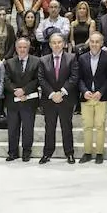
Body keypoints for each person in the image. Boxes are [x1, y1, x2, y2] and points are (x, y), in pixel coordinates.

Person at [36, 33, 77, 164]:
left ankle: (69, 153)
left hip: (66, 98)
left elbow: (74, 77)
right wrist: (52, 94)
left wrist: (62, 92)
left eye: (59, 42)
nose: (57, 45)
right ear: (50, 44)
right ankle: (47, 153)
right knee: (50, 127)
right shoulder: (43, 60)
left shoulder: (72, 58)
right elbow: (41, 79)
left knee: (66, 127)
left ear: (64, 44)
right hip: (49, 99)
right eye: (54, 42)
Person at [76, 32, 107, 164]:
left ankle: (99, 153)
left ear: (102, 43)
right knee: (87, 126)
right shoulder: (82, 58)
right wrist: (84, 91)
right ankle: (87, 152)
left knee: (100, 125)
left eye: (97, 42)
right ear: (89, 43)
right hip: (87, 97)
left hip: (101, 97)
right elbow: (79, 78)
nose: (95, 44)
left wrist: (101, 92)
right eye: (92, 41)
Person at [3, 38, 40, 161]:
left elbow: (37, 80)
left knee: (28, 128)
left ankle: (26, 152)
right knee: (13, 128)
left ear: (28, 48)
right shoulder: (9, 62)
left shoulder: (36, 61)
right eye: (20, 47)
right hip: (13, 101)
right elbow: (6, 80)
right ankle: (12, 152)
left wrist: (24, 90)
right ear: (16, 48)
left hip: (29, 100)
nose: (22, 49)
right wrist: (17, 92)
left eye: (25, 47)